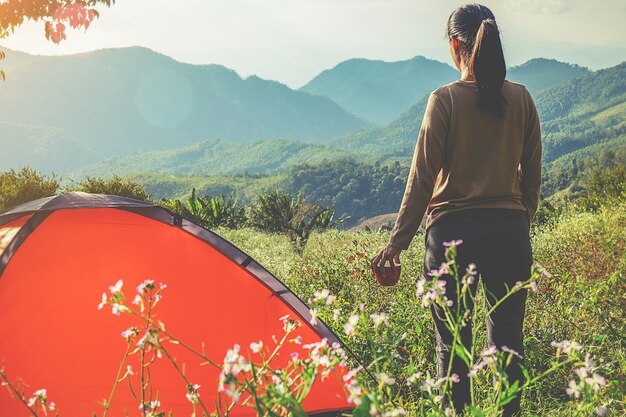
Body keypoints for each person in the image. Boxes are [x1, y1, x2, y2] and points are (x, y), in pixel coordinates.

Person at [371, 3, 542, 417]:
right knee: (508, 345)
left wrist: (395, 245)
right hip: (509, 232)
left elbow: (421, 178)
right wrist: (519, 222)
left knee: (453, 344)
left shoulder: (444, 100)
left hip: (452, 235)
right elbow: (532, 178)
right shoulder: (521, 99)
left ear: (454, 45)